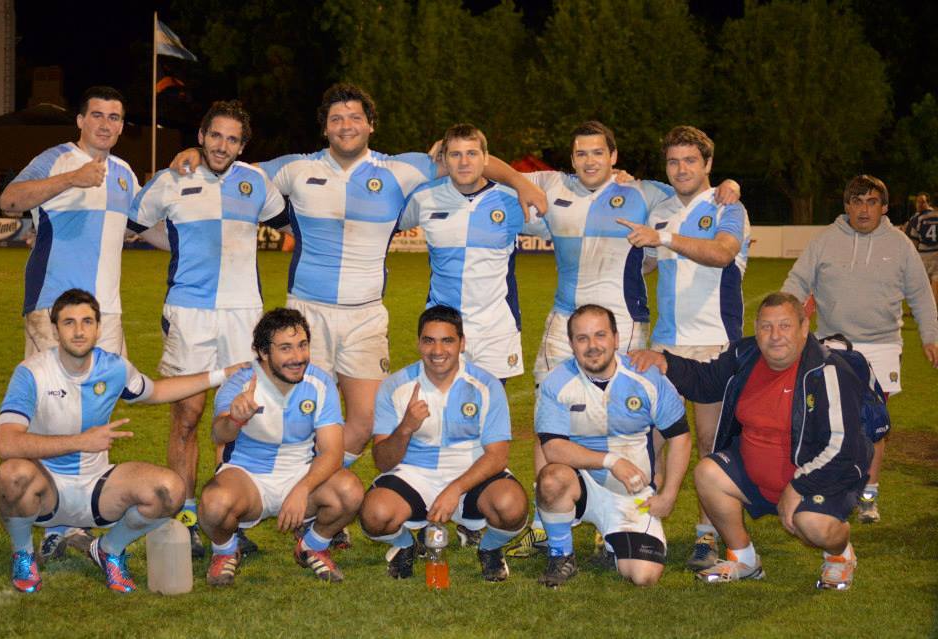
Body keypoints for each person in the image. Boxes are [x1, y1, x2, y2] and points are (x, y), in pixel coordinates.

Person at [170, 84, 546, 486]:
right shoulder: (296, 168)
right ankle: (267, 490)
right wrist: (195, 154)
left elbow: (469, 159)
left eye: (354, 117)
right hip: (306, 315)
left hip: (365, 315)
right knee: (294, 414)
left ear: (370, 125)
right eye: (336, 119)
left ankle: (312, 490)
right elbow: (232, 165)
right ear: (325, 129)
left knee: (364, 421)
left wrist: (521, 183)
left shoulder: (401, 169)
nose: (345, 125)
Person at [506, 121, 740, 558]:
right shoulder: (556, 185)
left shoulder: (648, 194)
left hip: (626, 328)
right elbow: (491, 166)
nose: (590, 160)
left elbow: (692, 201)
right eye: (581, 153)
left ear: (614, 156)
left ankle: (613, 518)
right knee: (549, 427)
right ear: (571, 157)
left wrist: (728, 184)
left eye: (598, 152)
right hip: (564, 325)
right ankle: (544, 526)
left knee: (627, 427)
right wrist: (519, 181)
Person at [0, 85, 167, 562]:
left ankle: (85, 513)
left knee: (98, 410)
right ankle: (49, 520)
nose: (106, 125)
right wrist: (72, 178)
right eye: (97, 115)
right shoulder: (56, 159)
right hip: (54, 309)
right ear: (80, 119)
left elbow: (144, 229)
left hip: (106, 313)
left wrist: (196, 237)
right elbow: (10, 201)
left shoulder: (125, 173)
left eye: (115, 117)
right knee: (52, 412)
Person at [0, 288, 245, 593]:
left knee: (171, 490)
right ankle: (23, 553)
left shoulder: (113, 368)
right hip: (46, 488)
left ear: (98, 328)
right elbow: (6, 444)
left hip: (98, 491)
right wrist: (80, 441)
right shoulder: (31, 373)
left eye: (87, 321)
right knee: (12, 474)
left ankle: (109, 549)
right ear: (55, 328)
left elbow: (159, 392)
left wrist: (222, 374)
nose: (78, 331)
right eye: (69, 322)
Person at [630, 292, 874, 590]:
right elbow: (706, 382)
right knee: (707, 473)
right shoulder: (745, 355)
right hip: (757, 474)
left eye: (784, 326)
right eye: (766, 327)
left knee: (813, 524)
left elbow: (843, 445)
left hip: (817, 478)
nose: (775, 336)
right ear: (756, 328)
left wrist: (798, 486)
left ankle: (840, 556)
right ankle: (745, 560)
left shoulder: (828, 371)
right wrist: (664, 362)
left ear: (803, 326)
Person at [129, 100, 286, 557]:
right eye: (215, 135)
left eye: (233, 138)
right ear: (200, 136)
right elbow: (132, 224)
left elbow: (293, 221)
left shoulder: (256, 183)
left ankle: (225, 518)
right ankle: (187, 516)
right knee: (188, 415)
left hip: (244, 316)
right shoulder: (172, 178)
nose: (223, 145)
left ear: (243, 145)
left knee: (237, 415)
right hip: (189, 313)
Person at [620, 124, 751, 571]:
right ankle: (643, 527)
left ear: (709, 165)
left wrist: (664, 239)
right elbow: (652, 261)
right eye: (674, 161)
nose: (681, 169)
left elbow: (722, 253)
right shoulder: (661, 210)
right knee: (652, 438)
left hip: (715, 343)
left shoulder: (728, 206)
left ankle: (706, 537)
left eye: (691, 160)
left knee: (711, 447)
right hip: (666, 343)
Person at [782, 175, 938, 524]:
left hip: (882, 346)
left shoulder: (901, 245)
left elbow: (921, 296)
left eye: (871, 202)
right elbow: (797, 282)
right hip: (831, 346)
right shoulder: (824, 241)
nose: (863, 209)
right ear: (846, 206)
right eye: (856, 201)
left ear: (884, 207)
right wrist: (783, 322)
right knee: (828, 423)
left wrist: (931, 337)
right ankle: (831, 488)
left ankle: (868, 495)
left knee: (871, 425)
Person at [359, 305, 528, 582]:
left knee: (511, 507)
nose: (437, 351)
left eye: (447, 340)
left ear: (462, 343)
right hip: (416, 474)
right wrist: (405, 428)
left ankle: (490, 547)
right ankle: (405, 545)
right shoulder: (395, 386)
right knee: (376, 515)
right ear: (418, 343)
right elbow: (382, 461)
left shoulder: (486, 385)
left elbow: (498, 456)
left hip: (472, 473)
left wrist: (454, 489)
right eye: (429, 340)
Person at [200, 308, 363, 585]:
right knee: (213, 505)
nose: (298, 357)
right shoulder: (239, 382)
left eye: (302, 346)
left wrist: (302, 488)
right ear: (264, 352)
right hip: (248, 476)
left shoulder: (320, 382)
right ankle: (225, 551)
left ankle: (313, 545)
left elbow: (333, 452)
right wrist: (235, 419)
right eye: (285, 348)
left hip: (300, 473)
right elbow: (218, 435)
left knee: (350, 492)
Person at [533, 304, 690, 588]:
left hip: (632, 492)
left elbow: (680, 436)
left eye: (600, 335)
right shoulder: (557, 382)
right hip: (582, 483)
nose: (592, 346)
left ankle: (612, 546)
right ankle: (561, 555)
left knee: (644, 576)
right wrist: (611, 461)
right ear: (571, 344)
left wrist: (668, 495)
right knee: (551, 478)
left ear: (616, 339)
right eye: (582, 338)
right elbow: (553, 448)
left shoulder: (646, 376)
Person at [398, 123, 537, 383]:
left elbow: (567, 222)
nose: (464, 162)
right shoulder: (424, 198)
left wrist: (615, 178)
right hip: (443, 329)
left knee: (489, 414)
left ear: (486, 158)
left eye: (472, 153)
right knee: (444, 414)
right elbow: (381, 225)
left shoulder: (512, 199)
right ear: (444, 160)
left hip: (494, 330)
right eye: (455, 154)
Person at [906, 192, 938, 304]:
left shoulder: (917, 218)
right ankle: (934, 310)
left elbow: (913, 241)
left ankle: (921, 309)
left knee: (922, 285)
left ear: (928, 203)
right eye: (918, 202)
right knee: (935, 283)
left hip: (924, 255)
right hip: (936, 254)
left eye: (922, 202)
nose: (919, 204)